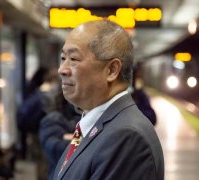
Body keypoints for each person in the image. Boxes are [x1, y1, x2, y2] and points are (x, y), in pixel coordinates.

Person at [54, 20, 164, 180]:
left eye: (74, 59)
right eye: (63, 58)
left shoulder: (126, 137)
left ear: (112, 70)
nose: (62, 70)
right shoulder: (92, 125)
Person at [39, 91, 81, 180]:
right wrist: (82, 139)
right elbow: (56, 149)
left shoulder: (93, 117)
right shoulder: (53, 119)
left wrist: (71, 137)